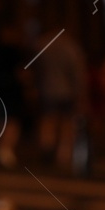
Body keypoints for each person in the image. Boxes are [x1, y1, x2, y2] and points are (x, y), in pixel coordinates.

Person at [36, 27, 88, 173]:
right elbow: (77, 72)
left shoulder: (42, 44)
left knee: (48, 120)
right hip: (67, 90)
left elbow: (36, 68)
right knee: (66, 123)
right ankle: (63, 154)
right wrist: (80, 93)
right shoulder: (71, 47)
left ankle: (47, 147)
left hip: (47, 89)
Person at [0, 23, 31, 168]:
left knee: (2, 120)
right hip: (12, 90)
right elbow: (23, 73)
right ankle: (5, 149)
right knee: (12, 121)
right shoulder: (16, 52)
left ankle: (2, 149)